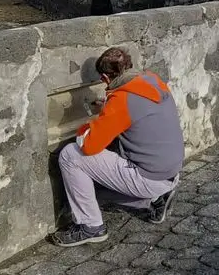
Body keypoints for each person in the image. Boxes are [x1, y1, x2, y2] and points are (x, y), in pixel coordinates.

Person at [52, 47, 185, 247]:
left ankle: (91, 226)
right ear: (129, 66)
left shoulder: (122, 100)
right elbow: (138, 111)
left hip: (149, 177)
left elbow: (89, 146)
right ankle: (156, 198)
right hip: (170, 171)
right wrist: (109, 109)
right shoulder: (152, 80)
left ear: (105, 77)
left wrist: (91, 123)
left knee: (71, 155)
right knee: (103, 178)